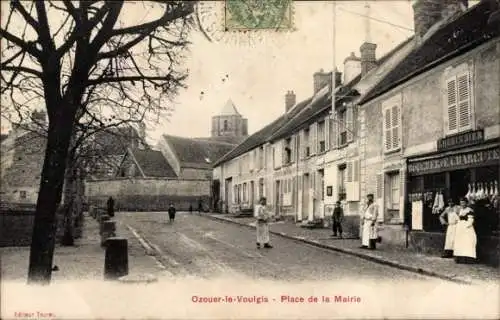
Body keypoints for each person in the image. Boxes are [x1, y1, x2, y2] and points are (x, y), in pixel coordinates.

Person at [453, 198, 477, 264]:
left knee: (468, 242)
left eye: (463, 203)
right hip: (460, 227)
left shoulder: (469, 210)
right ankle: (460, 258)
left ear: (466, 203)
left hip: (467, 228)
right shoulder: (460, 210)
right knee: (460, 242)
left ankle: (468, 259)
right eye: (461, 203)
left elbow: (471, 221)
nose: (462, 204)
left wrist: (466, 226)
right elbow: (458, 219)